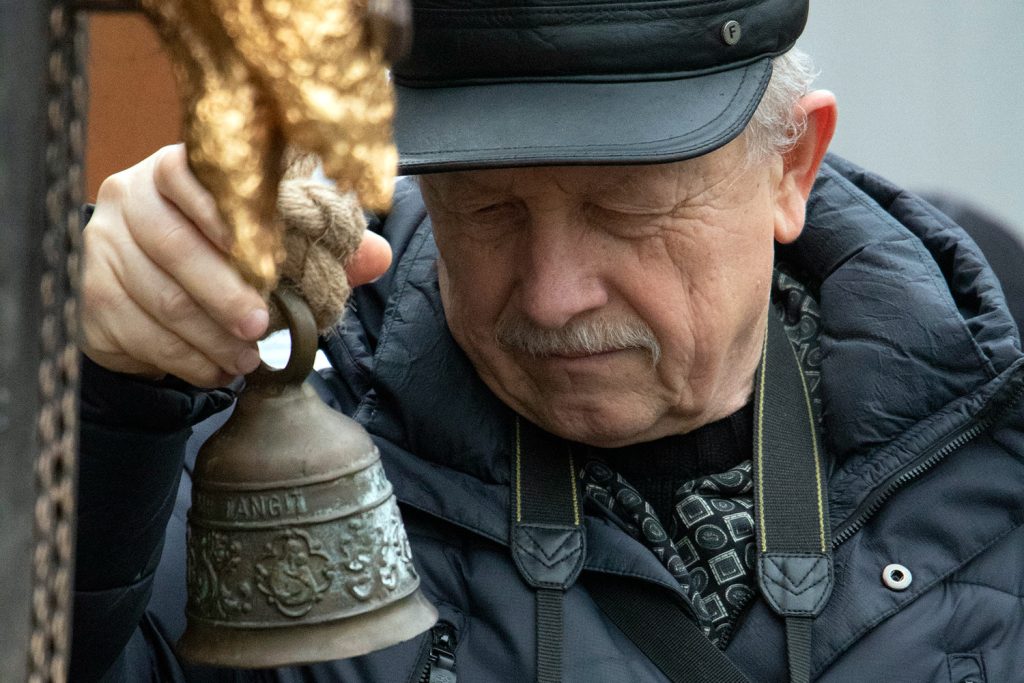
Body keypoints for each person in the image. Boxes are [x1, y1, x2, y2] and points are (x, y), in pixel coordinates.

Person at [73, 0, 1024, 681]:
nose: (554, 294)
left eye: (624, 211)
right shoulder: (260, 440)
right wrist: (99, 400)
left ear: (790, 168)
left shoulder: (994, 438)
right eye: (487, 211)